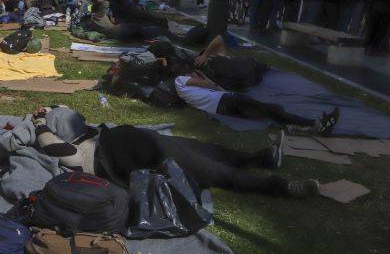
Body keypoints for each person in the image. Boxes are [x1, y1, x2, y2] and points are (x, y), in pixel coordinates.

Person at [97, 125, 319, 197]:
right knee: (220, 173)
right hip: (150, 156)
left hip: (146, 141)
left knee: (213, 151)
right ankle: (285, 187)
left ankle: (263, 158)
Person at [175, 73, 340, 134]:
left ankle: (297, 126)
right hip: (227, 100)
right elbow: (206, 84)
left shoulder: (185, 93)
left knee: (268, 113)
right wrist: (204, 79)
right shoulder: (180, 80)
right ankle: (315, 123)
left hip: (222, 108)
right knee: (272, 109)